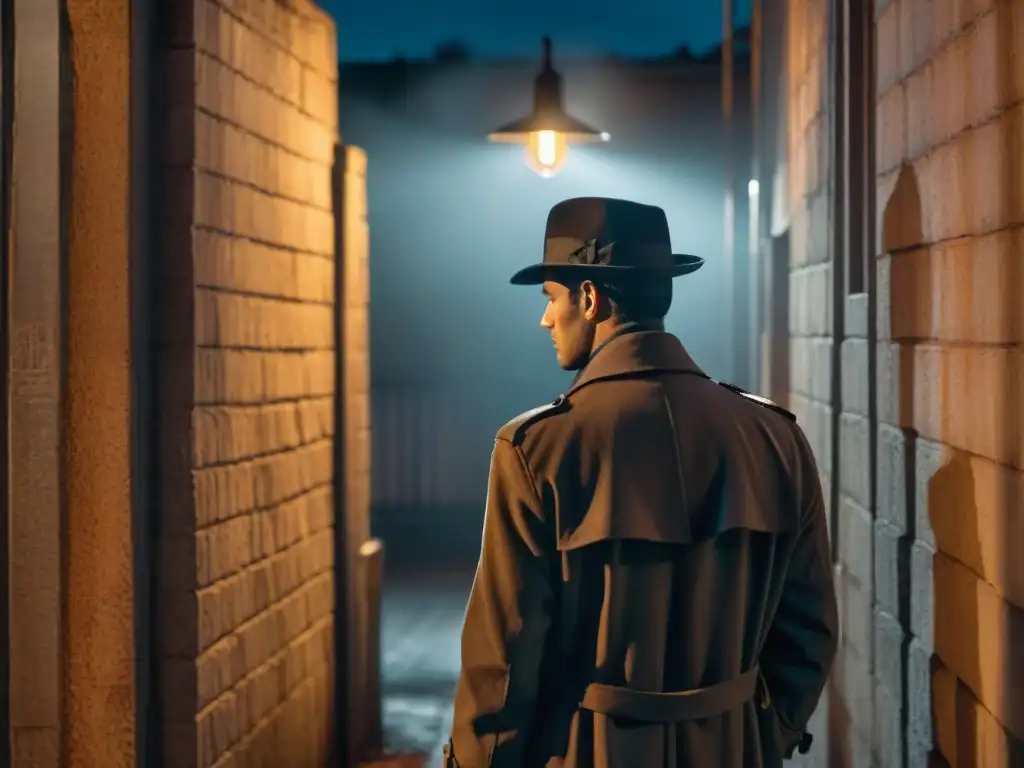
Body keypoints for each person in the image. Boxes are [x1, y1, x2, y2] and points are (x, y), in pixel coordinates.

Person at [444, 197, 838, 768]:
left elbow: (504, 659)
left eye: (552, 298)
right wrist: (758, 739)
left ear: (589, 296)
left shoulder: (537, 448)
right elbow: (809, 632)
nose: (546, 319)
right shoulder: (775, 436)